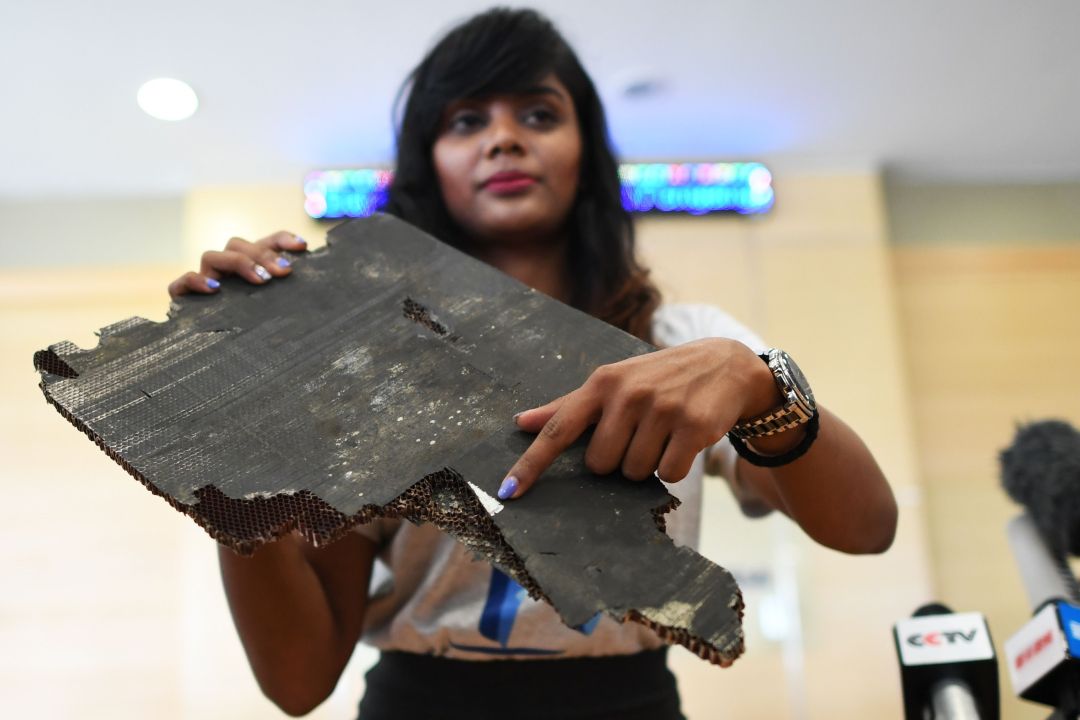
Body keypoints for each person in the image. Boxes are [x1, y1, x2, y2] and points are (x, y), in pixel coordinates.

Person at [167, 7, 897, 719]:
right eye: (466, 121)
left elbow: (867, 527)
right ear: (430, 162)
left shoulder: (683, 339)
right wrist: (238, 428)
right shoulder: (368, 367)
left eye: (540, 115)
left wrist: (758, 379)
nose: (504, 140)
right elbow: (298, 681)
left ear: (587, 155)